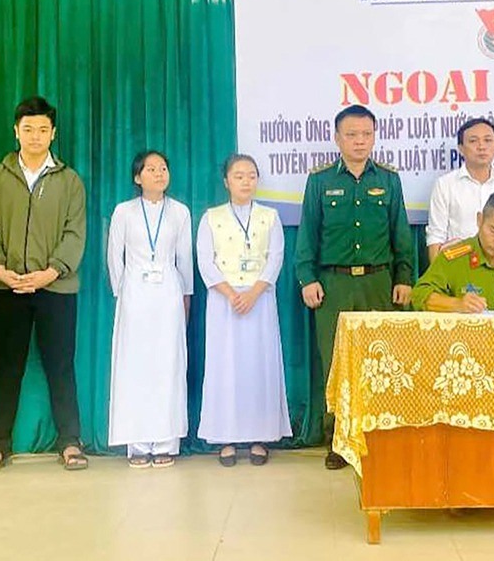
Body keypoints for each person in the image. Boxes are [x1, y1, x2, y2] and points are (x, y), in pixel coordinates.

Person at [294, 104, 415, 469]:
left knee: (382, 360)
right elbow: (308, 232)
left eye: (366, 134)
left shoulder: (389, 179)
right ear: (337, 138)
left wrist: (404, 277)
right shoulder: (320, 181)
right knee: (337, 364)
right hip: (334, 285)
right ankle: (338, 441)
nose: (360, 141)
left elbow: (400, 232)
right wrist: (307, 278)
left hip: (380, 282)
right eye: (351, 135)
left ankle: (380, 436)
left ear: (374, 137)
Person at [0, 96, 88, 474]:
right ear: (16, 132)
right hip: (8, 288)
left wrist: (51, 272)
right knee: (7, 369)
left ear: (53, 133)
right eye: (28, 129)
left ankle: (70, 441)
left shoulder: (69, 180)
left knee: (61, 367)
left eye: (42, 129)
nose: (35, 136)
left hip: (56, 289)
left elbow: (75, 232)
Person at [196, 154, 291, 467]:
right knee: (225, 366)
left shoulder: (270, 217)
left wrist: (252, 293)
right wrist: (231, 294)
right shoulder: (211, 218)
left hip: (259, 299)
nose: (246, 182)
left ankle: (259, 437)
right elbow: (205, 262)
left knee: (259, 365)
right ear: (226, 181)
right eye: (239, 176)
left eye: (251, 175)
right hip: (224, 301)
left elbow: (275, 258)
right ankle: (225, 438)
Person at [107, 151, 193, 469]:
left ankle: (167, 442)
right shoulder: (124, 212)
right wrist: (122, 293)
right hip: (134, 293)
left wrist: (185, 296)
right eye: (151, 169)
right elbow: (114, 257)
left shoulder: (180, 212)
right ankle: (138, 444)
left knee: (168, 364)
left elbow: (185, 259)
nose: (159, 174)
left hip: (168, 293)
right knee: (136, 366)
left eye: (163, 168)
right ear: (137, 177)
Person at [426, 117, 494, 261]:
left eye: (488, 140)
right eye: (473, 141)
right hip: (459, 263)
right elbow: (435, 236)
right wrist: (437, 273)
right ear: (461, 149)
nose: (481, 146)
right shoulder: (445, 185)